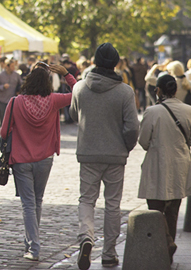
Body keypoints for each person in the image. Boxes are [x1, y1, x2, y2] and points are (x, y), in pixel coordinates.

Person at [69, 42, 139, 269]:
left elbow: (73, 115)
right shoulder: (125, 91)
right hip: (115, 155)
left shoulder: (79, 87)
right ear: (116, 63)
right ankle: (109, 253)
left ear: (95, 62)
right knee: (112, 204)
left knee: (86, 199)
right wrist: (125, 147)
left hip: (88, 153)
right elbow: (132, 127)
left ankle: (86, 237)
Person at [0, 63, 75, 261]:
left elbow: (2, 132)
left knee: (28, 204)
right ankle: (31, 244)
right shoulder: (54, 100)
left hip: (21, 160)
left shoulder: (16, 102)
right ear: (48, 82)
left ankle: (33, 248)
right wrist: (67, 74)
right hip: (45, 159)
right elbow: (79, 93)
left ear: (28, 80)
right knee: (37, 201)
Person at [137, 74, 191, 264]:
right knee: (173, 212)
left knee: (155, 210)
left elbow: (143, 141)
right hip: (180, 165)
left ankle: (165, 244)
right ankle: (168, 251)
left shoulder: (152, 112)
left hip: (157, 165)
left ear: (158, 90)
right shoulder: (188, 110)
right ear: (175, 90)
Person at [0, 58, 21, 128]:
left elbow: (20, 85)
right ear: (7, 66)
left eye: (14, 66)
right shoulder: (0, 76)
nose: (13, 68)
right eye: (12, 66)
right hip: (3, 101)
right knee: (3, 120)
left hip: (13, 101)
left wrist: (18, 91)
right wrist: (3, 86)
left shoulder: (16, 75)